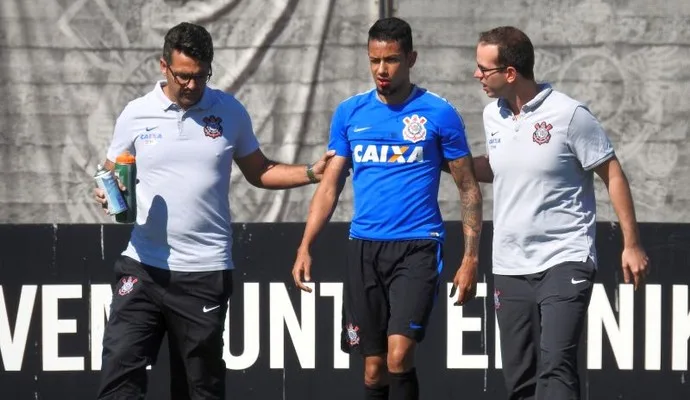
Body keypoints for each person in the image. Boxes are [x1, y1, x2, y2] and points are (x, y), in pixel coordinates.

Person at [92, 22, 333, 400]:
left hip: (205, 272)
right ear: (163, 67)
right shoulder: (135, 113)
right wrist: (108, 192)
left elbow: (260, 171)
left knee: (199, 389)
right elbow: (111, 173)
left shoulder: (229, 111)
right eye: (183, 76)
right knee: (119, 377)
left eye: (200, 76)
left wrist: (309, 173)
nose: (191, 85)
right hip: (142, 267)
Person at [291, 17, 483, 400]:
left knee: (399, 356)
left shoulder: (439, 113)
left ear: (411, 58)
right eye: (375, 60)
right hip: (364, 248)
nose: (382, 69)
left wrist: (470, 258)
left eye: (392, 60)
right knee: (374, 367)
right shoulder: (350, 113)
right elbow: (330, 185)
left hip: (418, 247)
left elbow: (468, 187)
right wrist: (305, 245)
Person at [471, 26, 649, 400]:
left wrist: (631, 244)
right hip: (509, 263)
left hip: (564, 258)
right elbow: (499, 167)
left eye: (483, 69)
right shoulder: (492, 117)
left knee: (556, 366)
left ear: (510, 73)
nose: (477, 76)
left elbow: (612, 173)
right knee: (519, 377)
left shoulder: (570, 115)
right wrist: (445, 162)